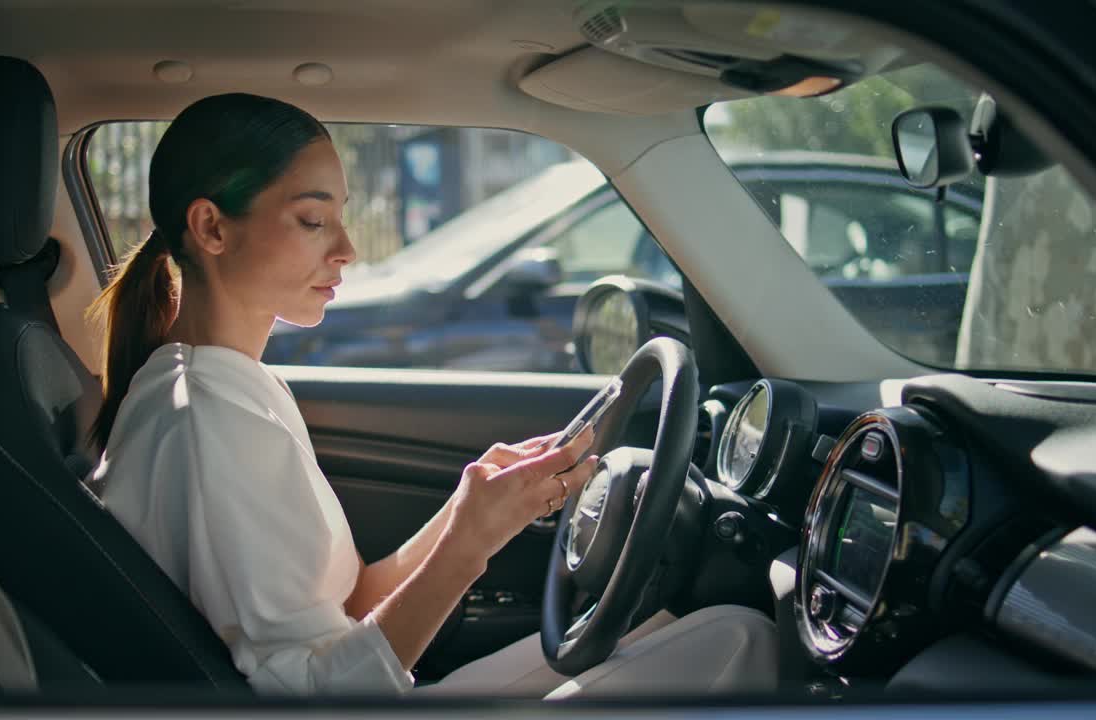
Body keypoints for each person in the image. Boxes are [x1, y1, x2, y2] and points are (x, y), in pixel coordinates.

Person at [90, 93, 777, 698]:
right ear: (211, 227)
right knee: (741, 638)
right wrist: (467, 547)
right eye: (312, 220)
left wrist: (468, 508)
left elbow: (353, 600)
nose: (349, 250)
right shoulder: (209, 423)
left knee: (699, 630)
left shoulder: (227, 384)